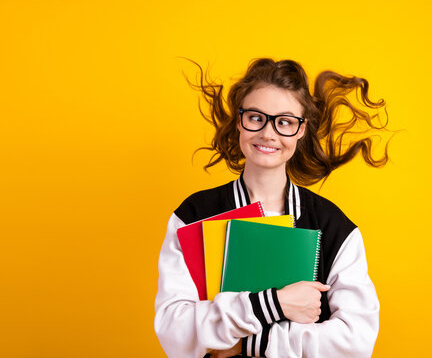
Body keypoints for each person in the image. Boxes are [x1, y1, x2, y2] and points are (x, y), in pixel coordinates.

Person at [154, 58, 391, 358]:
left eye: (285, 122)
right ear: (238, 120)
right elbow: (173, 331)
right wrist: (275, 303)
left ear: (302, 130)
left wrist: (251, 343)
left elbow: (356, 342)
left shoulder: (335, 228)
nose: (268, 133)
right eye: (256, 117)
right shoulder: (193, 215)